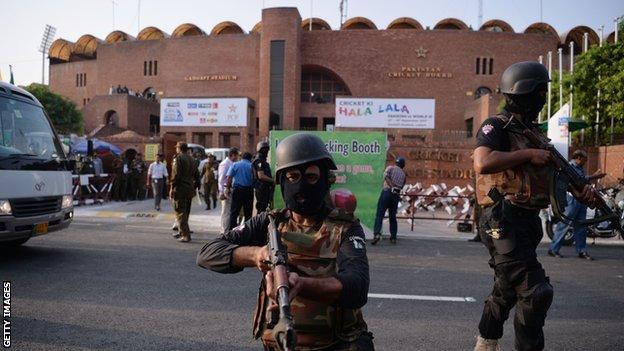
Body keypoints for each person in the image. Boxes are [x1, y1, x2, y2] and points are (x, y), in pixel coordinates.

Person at [196, 133, 374, 350]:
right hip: (280, 343)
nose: (301, 186)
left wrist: (301, 284)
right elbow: (208, 253)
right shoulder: (270, 222)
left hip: (337, 344)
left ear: (325, 179)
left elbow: (357, 285)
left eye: (311, 177)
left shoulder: (345, 227)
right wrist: (257, 255)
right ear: (282, 180)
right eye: (292, 177)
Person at [472, 61, 596, 351]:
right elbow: (483, 162)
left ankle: (486, 342)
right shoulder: (496, 126)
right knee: (535, 290)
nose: (543, 98)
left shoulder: (535, 133)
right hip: (500, 218)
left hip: (527, 221)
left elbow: (559, 174)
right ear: (525, 94)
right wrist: (529, 153)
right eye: (540, 92)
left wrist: (581, 191)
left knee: (506, 288)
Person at [548, 150, 606, 260]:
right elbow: (578, 180)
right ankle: (553, 249)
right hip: (572, 199)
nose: (586, 161)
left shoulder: (580, 168)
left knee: (581, 226)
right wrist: (594, 176)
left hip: (581, 200)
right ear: (578, 157)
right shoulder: (570, 166)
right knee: (564, 224)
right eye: (584, 158)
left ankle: (581, 250)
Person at [371, 157, 406, 245]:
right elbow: (402, 186)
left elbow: (386, 176)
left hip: (387, 193)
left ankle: (377, 234)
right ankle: (393, 237)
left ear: (396, 163)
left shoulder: (390, 168)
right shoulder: (403, 174)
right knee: (392, 217)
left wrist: (391, 186)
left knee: (380, 214)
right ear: (403, 165)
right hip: (396, 196)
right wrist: (396, 188)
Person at [170, 142, 197, 242]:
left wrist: (172, 188)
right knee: (186, 211)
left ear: (179, 148)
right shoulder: (192, 159)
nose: (176, 150)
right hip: (190, 188)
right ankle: (182, 231)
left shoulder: (178, 158)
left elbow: (176, 175)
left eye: (176, 148)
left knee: (180, 211)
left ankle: (185, 235)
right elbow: (196, 175)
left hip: (181, 188)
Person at [225, 152, 254, 230]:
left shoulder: (235, 165)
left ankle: (232, 231)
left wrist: (227, 188)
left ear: (242, 158)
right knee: (248, 213)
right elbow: (255, 179)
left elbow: (229, 178)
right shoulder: (252, 166)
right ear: (250, 158)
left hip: (237, 191)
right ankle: (247, 231)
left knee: (234, 212)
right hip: (248, 191)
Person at [218, 147, 239, 233]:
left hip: (230, 190)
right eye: (236, 156)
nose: (237, 158)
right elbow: (221, 179)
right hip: (226, 191)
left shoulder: (231, 163)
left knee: (229, 211)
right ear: (232, 155)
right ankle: (224, 231)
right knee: (226, 212)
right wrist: (222, 192)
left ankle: (226, 230)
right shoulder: (225, 164)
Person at [252, 141, 275, 214]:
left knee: (264, 209)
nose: (267, 152)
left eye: (267, 150)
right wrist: (272, 181)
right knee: (261, 210)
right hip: (261, 189)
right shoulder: (259, 160)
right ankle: (260, 225)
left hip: (264, 189)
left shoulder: (263, 161)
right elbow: (261, 176)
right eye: (265, 150)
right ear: (261, 150)